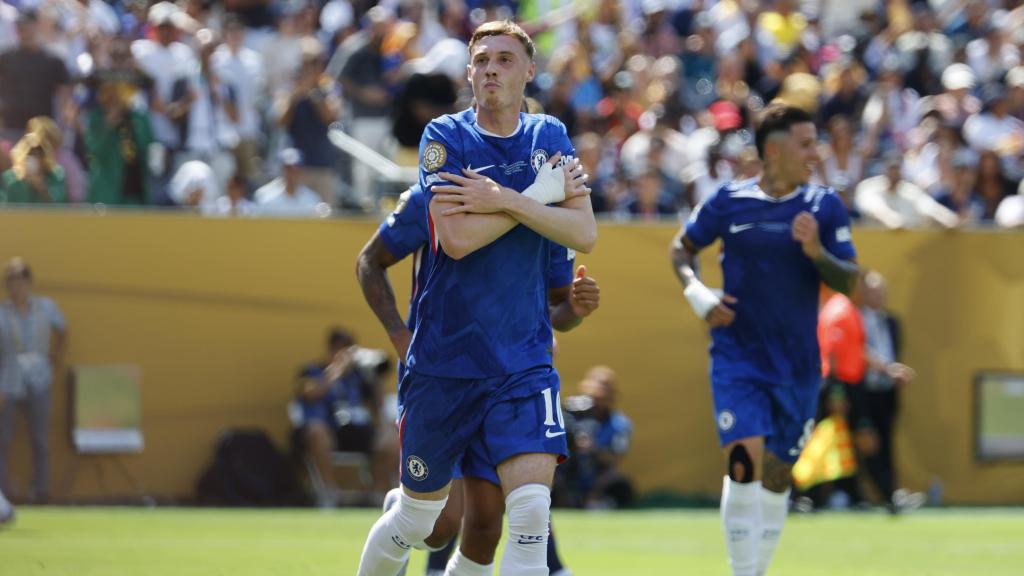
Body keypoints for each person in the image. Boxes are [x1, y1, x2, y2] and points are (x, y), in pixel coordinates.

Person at [354, 19, 596, 576]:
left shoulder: (550, 137)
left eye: (505, 59)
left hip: (523, 365)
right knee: (423, 523)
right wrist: (537, 198)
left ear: (530, 70)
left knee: (526, 519)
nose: (491, 68)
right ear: (469, 71)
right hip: (445, 362)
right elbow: (458, 242)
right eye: (482, 59)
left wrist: (501, 198)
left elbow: (584, 235)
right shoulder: (447, 137)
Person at [357, 184, 598, 575]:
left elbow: (555, 311)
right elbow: (369, 261)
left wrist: (575, 307)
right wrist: (399, 335)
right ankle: (402, 513)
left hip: (511, 383)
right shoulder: (436, 194)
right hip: (441, 377)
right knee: (437, 528)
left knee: (488, 525)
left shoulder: (546, 208)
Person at [670, 105, 858, 576]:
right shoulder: (728, 201)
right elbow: (682, 249)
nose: (814, 153)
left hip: (798, 366)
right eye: (805, 143)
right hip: (738, 357)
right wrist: (697, 293)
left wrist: (816, 252)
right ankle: (743, 572)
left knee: (776, 475)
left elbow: (851, 282)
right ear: (773, 150)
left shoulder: (824, 206)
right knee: (743, 460)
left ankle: (758, 568)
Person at [292, 327, 386, 508]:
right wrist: (337, 370)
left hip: (355, 430)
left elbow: (379, 406)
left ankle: (375, 494)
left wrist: (375, 377)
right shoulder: (311, 370)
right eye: (339, 349)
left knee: (390, 439)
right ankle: (329, 491)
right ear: (330, 349)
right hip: (326, 430)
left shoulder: (358, 376)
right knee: (316, 431)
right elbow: (309, 393)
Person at [0, 258, 67, 504]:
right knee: (3, 439)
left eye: (20, 282)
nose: (16, 288)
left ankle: (41, 492)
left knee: (40, 438)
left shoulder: (46, 307)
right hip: (9, 378)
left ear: (29, 283)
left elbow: (62, 329)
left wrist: (55, 357)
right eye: (11, 283)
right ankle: (3, 497)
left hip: (39, 376)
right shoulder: (2, 313)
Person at [858, 271, 921, 512]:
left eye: (882, 292)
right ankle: (859, 493)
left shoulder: (892, 322)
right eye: (874, 291)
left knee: (886, 442)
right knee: (865, 442)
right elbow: (856, 350)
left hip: (886, 392)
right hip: (863, 390)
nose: (879, 296)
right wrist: (888, 369)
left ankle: (890, 494)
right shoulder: (853, 318)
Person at [558, 366, 634, 509]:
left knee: (614, 477)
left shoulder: (619, 424)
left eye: (602, 396)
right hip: (568, 472)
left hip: (596, 477)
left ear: (612, 396)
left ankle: (594, 500)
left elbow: (614, 460)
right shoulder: (569, 416)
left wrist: (592, 448)